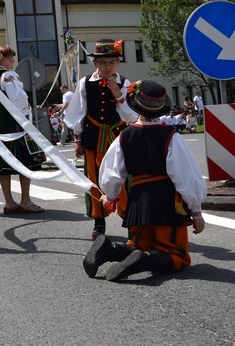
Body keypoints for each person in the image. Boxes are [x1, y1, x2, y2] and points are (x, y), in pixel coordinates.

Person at [82, 80, 206, 281]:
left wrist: (110, 196)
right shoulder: (170, 136)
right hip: (167, 202)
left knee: (138, 245)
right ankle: (144, 261)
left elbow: (112, 171)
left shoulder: (124, 136)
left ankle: (109, 249)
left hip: (137, 201)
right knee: (177, 254)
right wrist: (196, 211)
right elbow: (186, 177)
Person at [62, 39, 138, 239]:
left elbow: (132, 116)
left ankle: (130, 222)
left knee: (123, 180)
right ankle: (99, 222)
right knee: (94, 180)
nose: (108, 67)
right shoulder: (85, 83)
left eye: (112, 62)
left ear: (118, 63)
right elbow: (77, 112)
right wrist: (77, 139)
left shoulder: (125, 84)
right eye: (103, 63)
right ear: (95, 64)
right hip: (93, 137)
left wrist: (119, 96)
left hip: (118, 137)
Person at [0, 46, 45, 214]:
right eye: (11, 58)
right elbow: (18, 99)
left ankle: (9, 202)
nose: (13, 61)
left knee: (3, 160)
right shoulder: (9, 75)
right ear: (2, 59)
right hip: (12, 118)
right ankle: (25, 200)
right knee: (24, 159)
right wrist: (27, 117)